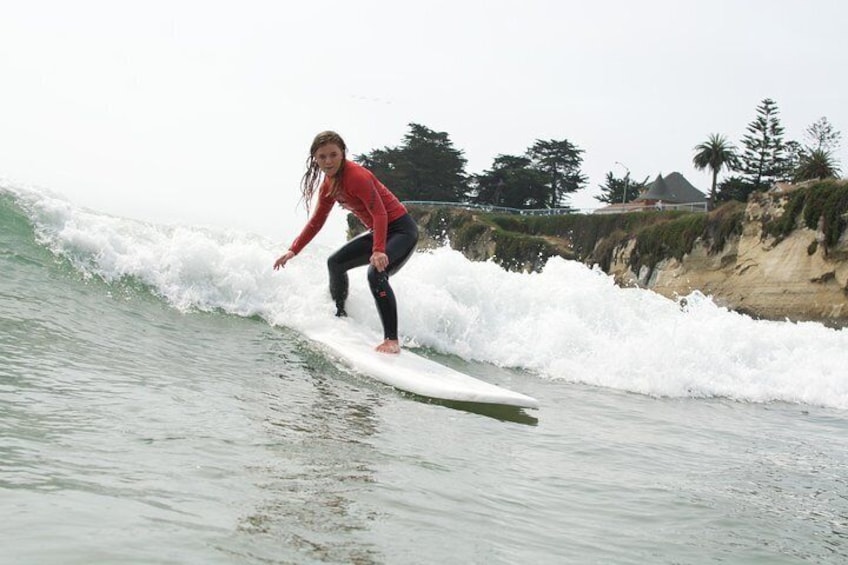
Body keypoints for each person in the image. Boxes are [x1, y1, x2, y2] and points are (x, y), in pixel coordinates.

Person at [273, 131, 419, 354]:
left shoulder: (356, 177)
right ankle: (340, 316)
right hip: (380, 231)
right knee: (336, 262)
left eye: (333, 155)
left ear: (343, 154)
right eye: (322, 157)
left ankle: (392, 341)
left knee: (376, 273)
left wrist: (379, 250)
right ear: (315, 158)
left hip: (401, 230)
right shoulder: (328, 186)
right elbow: (317, 222)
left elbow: (380, 213)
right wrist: (293, 250)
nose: (328, 161)